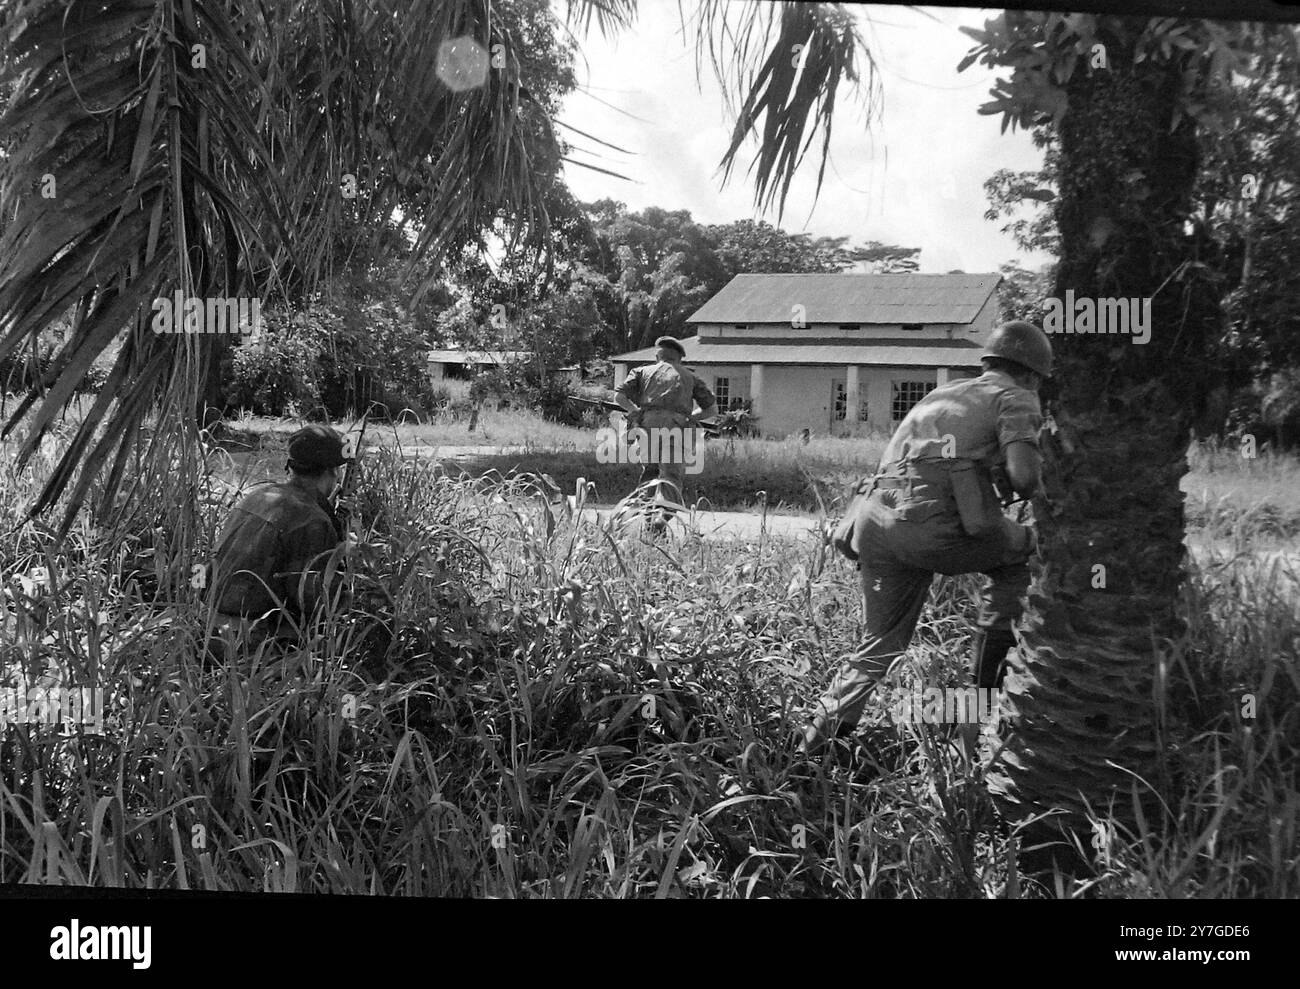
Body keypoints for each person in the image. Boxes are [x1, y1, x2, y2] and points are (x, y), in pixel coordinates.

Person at [802, 320, 1053, 753]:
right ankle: (973, 711)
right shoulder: (1016, 397)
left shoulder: (943, 394)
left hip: (876, 524)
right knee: (1021, 558)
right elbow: (1026, 479)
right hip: (933, 530)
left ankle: (810, 747)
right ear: (1032, 374)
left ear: (988, 362)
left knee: (880, 643)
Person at [207, 424, 354, 653]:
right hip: (244, 643)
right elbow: (317, 603)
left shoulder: (259, 496)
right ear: (332, 472)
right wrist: (346, 560)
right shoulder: (313, 520)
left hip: (206, 626)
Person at [614, 336, 717, 535]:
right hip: (676, 427)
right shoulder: (690, 377)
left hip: (646, 427)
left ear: (657, 356)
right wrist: (690, 418)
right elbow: (712, 410)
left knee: (650, 473)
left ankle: (647, 520)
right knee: (671, 476)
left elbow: (619, 397)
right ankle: (661, 519)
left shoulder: (642, 372)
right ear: (679, 358)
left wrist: (635, 411)